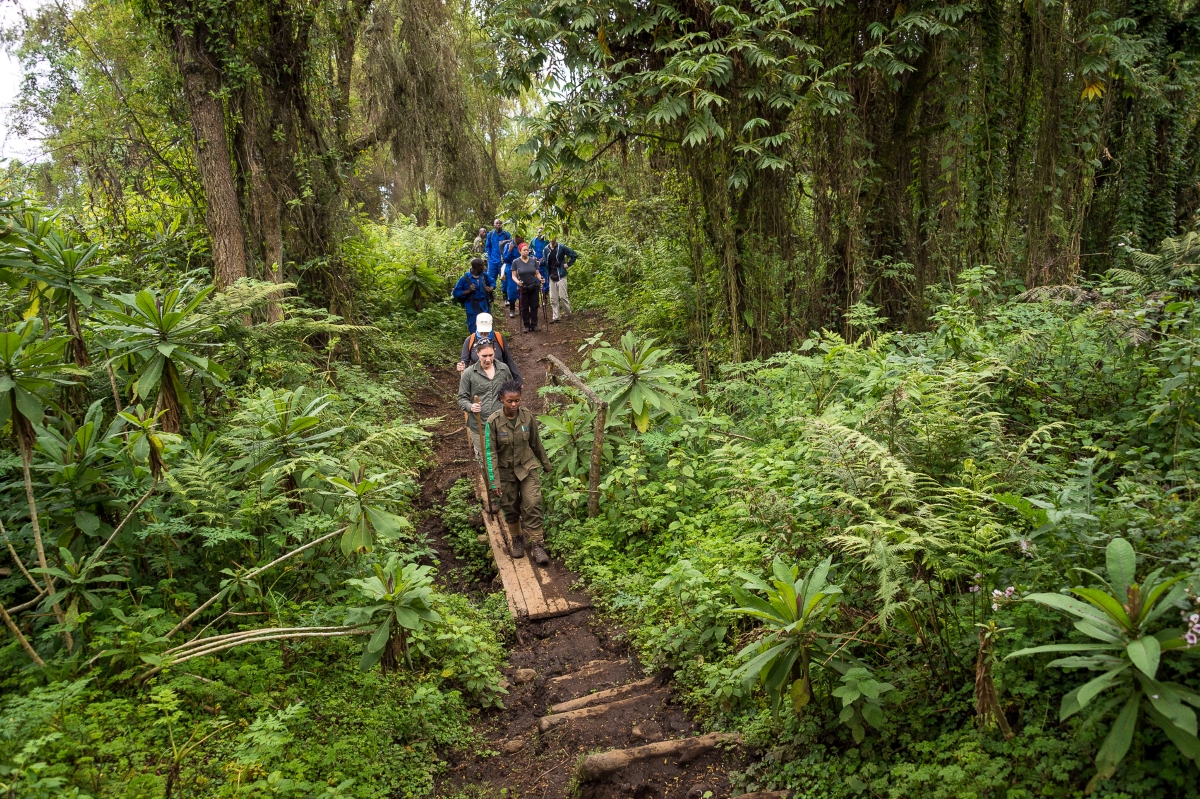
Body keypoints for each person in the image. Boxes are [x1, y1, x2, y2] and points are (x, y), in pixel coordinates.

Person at [486, 379, 553, 564]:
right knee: (510, 506)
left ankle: (538, 544)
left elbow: (535, 443)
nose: (514, 404)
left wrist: (546, 465)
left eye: (517, 400)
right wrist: (494, 482)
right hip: (505, 471)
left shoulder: (527, 416)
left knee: (532, 502)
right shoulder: (493, 422)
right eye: (510, 401)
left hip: (526, 467)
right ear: (501, 400)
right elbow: (490, 453)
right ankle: (516, 538)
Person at [457, 340, 513, 460]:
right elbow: (461, 399)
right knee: (486, 460)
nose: (488, 359)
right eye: (484, 356)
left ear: (495, 352)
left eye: (490, 355)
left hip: (502, 424)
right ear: (477, 353)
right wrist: (470, 406)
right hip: (479, 426)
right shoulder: (469, 373)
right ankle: (487, 479)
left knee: (504, 457)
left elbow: (511, 392)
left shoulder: (504, 369)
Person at [456, 313, 521, 379]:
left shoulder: (498, 337)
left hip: (500, 379)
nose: (484, 333)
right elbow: (464, 362)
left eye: (486, 331)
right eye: (482, 331)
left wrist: (518, 379)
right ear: (476, 324)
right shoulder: (470, 340)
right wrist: (462, 367)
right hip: (478, 380)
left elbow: (508, 359)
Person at [451, 257, 494, 333]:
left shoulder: (483, 275)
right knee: (474, 326)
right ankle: (475, 341)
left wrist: (491, 288)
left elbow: (492, 282)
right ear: (477, 267)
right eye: (482, 266)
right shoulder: (464, 279)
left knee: (487, 323)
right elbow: (456, 292)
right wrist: (468, 291)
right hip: (472, 306)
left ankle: (487, 341)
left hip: (484, 305)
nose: (484, 268)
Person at [512, 242, 544, 333]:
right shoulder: (516, 262)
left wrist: (541, 279)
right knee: (524, 307)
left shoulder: (533, 261)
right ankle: (526, 325)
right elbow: (513, 276)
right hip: (523, 287)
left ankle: (534, 324)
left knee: (534, 306)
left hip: (533, 285)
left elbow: (537, 273)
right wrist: (518, 282)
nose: (526, 252)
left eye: (527, 250)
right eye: (524, 250)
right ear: (520, 251)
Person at [544, 239, 577, 322]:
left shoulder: (561, 247)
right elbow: (545, 261)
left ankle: (568, 313)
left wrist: (568, 264)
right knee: (552, 298)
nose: (552, 240)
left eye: (553, 237)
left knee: (563, 296)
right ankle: (556, 317)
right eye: (550, 237)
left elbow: (573, 255)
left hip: (561, 275)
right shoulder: (546, 249)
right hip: (551, 276)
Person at [500, 235, 524, 318]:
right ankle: (512, 309)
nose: (520, 239)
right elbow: (505, 259)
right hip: (511, 271)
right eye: (518, 237)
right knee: (512, 290)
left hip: (522, 270)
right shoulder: (508, 245)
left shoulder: (523, 246)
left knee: (522, 289)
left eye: (521, 237)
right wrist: (510, 250)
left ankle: (522, 309)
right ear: (515, 237)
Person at [484, 219, 512, 284]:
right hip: (492, 262)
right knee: (490, 280)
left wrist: (506, 258)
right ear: (494, 224)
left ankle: (505, 293)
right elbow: (487, 247)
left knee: (504, 280)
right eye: (496, 223)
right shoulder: (490, 234)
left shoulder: (506, 234)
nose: (498, 224)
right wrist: (488, 257)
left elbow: (510, 246)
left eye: (500, 223)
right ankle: (489, 293)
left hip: (503, 262)